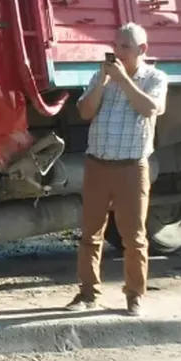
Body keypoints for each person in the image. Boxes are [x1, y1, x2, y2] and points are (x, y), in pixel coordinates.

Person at [67, 22, 169, 316]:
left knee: (134, 237)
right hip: (98, 165)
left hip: (131, 168)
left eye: (125, 47)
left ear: (142, 50)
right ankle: (87, 293)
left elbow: (151, 109)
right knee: (90, 233)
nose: (118, 52)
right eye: (115, 45)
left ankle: (134, 295)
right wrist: (102, 82)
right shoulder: (102, 76)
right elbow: (85, 112)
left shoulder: (155, 78)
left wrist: (123, 80)